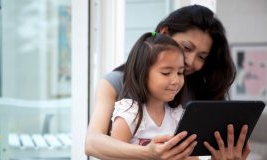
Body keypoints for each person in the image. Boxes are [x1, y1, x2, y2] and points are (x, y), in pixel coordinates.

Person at [85, 4, 251, 160]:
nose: (190, 61)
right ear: (164, 33)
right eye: (186, 47)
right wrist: (148, 153)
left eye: (202, 56)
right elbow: (92, 142)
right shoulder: (118, 87)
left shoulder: (195, 95)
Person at [111, 32, 198, 159]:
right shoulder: (129, 114)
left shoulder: (178, 115)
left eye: (180, 72)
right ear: (142, 74)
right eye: (166, 73)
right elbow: (113, 156)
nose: (176, 80)